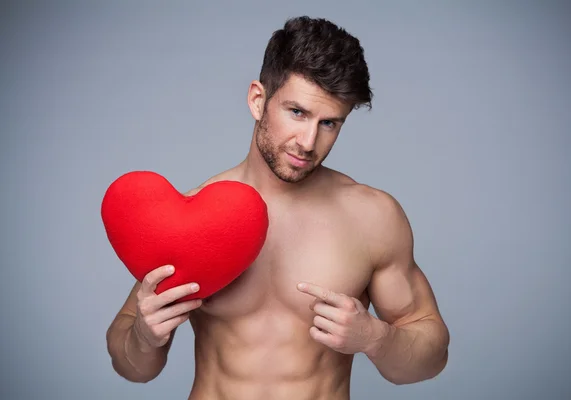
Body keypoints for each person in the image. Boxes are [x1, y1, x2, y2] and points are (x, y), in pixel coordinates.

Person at [106, 15, 450, 400]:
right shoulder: (192, 219)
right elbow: (132, 366)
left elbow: (432, 355)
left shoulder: (371, 216)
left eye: (330, 123)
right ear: (258, 100)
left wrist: (376, 338)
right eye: (297, 112)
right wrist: (144, 335)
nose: (307, 141)